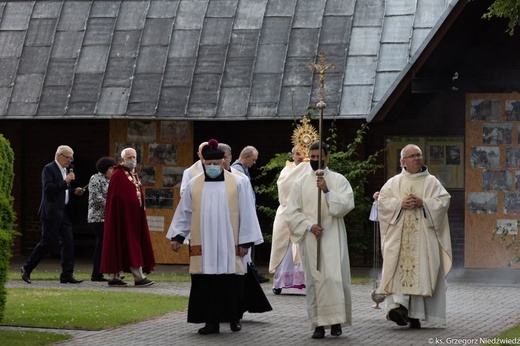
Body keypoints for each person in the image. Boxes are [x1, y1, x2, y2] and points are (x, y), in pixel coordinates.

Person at [167, 139, 264, 335]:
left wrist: (245, 240)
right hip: (205, 243)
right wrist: (178, 236)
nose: (212, 167)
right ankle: (211, 322)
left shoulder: (239, 182)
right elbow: (185, 212)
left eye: (216, 164)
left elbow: (247, 211)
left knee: (230, 283)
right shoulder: (194, 184)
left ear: (223, 162)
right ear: (203, 163)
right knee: (206, 283)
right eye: (208, 164)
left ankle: (234, 317)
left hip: (229, 241)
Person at [377, 144, 452, 329]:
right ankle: (398, 309)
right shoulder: (394, 182)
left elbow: (443, 201)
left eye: (418, 155)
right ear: (403, 161)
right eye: (411, 156)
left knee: (421, 271)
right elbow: (383, 203)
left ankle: (416, 315)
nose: (416, 158)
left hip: (423, 237)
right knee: (397, 269)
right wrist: (399, 204)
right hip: (399, 238)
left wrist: (424, 203)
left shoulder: (431, 182)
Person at [286, 141, 354, 339]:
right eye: (312, 157)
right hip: (311, 237)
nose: (315, 160)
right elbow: (292, 212)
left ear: (327, 157)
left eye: (319, 157)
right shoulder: (300, 183)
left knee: (334, 279)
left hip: (333, 236)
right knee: (315, 281)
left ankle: (336, 322)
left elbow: (346, 205)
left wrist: (327, 191)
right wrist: (309, 225)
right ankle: (317, 324)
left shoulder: (339, 180)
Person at [219, 142, 272, 317]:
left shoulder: (238, 177)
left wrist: (246, 240)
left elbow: (246, 207)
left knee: (238, 274)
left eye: (222, 159)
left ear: (229, 158)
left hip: (236, 235)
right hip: (218, 236)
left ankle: (235, 312)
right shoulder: (200, 179)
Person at [20, 145, 85, 284]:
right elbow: (49, 189)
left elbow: (62, 192)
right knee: (46, 242)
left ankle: (67, 274)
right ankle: (26, 268)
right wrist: (66, 181)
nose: (70, 161)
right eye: (68, 157)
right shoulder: (49, 169)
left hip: (63, 212)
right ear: (59, 156)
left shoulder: (65, 170)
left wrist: (73, 191)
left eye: (71, 158)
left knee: (68, 242)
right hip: (51, 213)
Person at [100, 147, 156, 287]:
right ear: (122, 159)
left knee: (129, 244)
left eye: (134, 157)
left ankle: (115, 277)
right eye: (129, 157)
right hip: (122, 218)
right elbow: (116, 198)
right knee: (124, 243)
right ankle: (137, 277)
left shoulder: (134, 174)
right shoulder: (118, 174)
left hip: (134, 217)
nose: (132, 160)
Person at [269, 146, 312, 294]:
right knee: (284, 247)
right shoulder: (286, 170)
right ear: (292, 155)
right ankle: (280, 283)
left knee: (303, 247)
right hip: (286, 211)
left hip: (303, 213)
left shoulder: (311, 169)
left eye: (303, 154)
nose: (300, 157)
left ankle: (304, 281)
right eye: (297, 154)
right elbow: (284, 188)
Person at [231, 145, 268, 283]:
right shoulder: (236, 171)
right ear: (246, 157)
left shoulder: (243, 170)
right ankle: (251, 273)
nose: (254, 163)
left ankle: (252, 272)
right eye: (253, 160)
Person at [87, 156, 116, 282]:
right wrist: (111, 206)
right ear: (104, 168)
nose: (112, 171)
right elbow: (96, 197)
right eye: (110, 168)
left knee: (100, 246)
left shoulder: (111, 180)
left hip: (107, 218)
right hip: (97, 218)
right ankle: (113, 272)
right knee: (106, 244)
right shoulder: (95, 178)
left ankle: (97, 274)